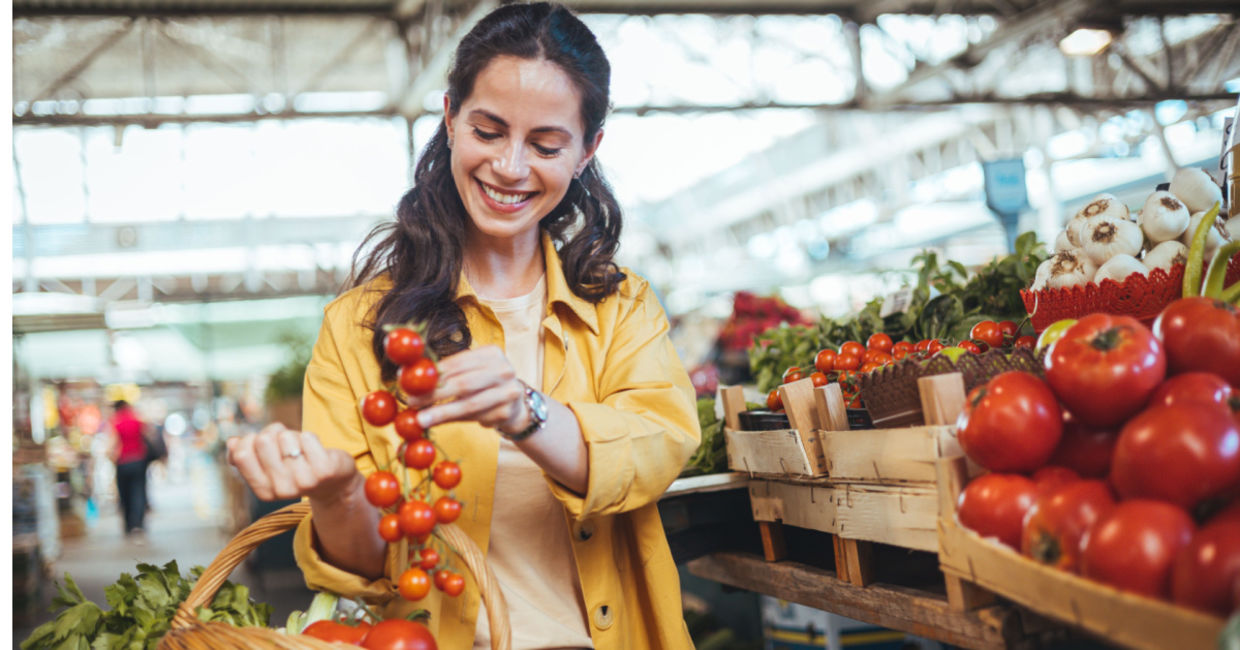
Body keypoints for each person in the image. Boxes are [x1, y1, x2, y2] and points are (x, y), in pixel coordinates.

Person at [226, 3, 700, 648]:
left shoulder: (620, 308)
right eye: (488, 129)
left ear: (588, 150)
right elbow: (366, 569)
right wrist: (338, 493)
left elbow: (660, 447)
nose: (509, 166)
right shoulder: (360, 326)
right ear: (450, 118)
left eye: (546, 144)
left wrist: (526, 411)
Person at [109, 400, 149, 542]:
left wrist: (112, 457)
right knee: (138, 492)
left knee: (124, 494)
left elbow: (112, 444)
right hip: (138, 460)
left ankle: (128, 524)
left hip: (123, 461)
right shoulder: (137, 420)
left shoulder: (116, 422)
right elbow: (147, 437)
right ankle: (138, 524)